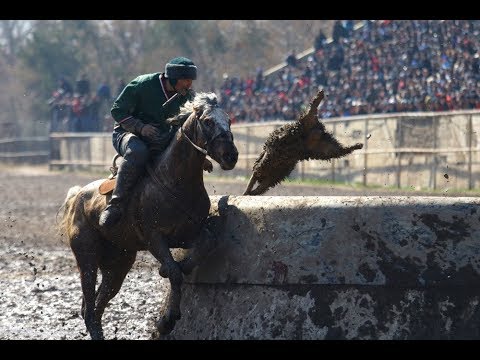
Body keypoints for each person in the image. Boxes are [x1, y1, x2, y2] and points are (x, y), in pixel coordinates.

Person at [99, 56, 198, 229]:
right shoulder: (142, 84)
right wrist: (140, 127)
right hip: (127, 133)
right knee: (139, 152)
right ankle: (115, 205)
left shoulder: (186, 96)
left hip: (162, 136)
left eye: (191, 81)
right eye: (186, 80)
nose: (189, 85)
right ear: (174, 78)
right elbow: (117, 110)